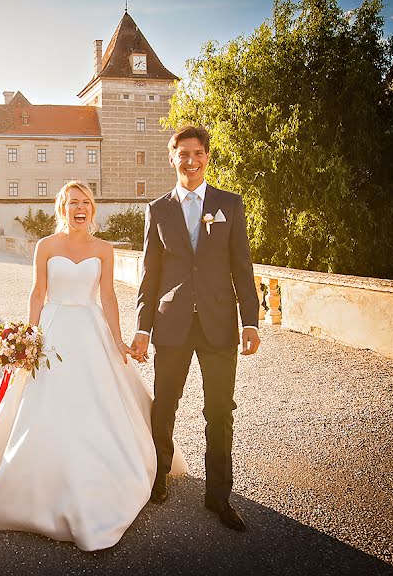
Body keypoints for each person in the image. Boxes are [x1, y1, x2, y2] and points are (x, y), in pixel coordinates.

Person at [0, 180, 185, 551]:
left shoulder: (103, 249)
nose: (80, 208)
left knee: (98, 402)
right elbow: (38, 293)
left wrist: (117, 340)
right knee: (44, 404)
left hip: (90, 330)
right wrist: (28, 339)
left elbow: (108, 296)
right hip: (53, 331)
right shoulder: (46, 246)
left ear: (93, 209)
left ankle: (106, 477)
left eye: (86, 202)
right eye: (73, 203)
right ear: (62, 208)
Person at [132, 125, 260, 532]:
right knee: (164, 407)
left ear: (207, 157)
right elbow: (149, 275)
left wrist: (251, 321)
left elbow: (242, 266)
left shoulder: (230, 204)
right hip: (171, 326)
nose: (190, 160)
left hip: (220, 324)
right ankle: (158, 479)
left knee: (220, 411)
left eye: (197, 153)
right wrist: (142, 328)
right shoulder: (157, 209)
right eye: (182, 153)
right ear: (172, 158)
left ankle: (219, 496)